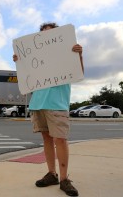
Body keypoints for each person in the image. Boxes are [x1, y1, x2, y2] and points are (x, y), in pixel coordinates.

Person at [13, 22, 84, 196]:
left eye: (50, 33)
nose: (46, 36)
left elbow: (79, 73)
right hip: (38, 103)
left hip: (57, 103)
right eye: (43, 33)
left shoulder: (68, 52)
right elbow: (26, 75)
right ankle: (52, 173)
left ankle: (64, 179)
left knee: (60, 140)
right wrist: (20, 61)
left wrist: (79, 56)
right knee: (46, 139)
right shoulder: (35, 55)